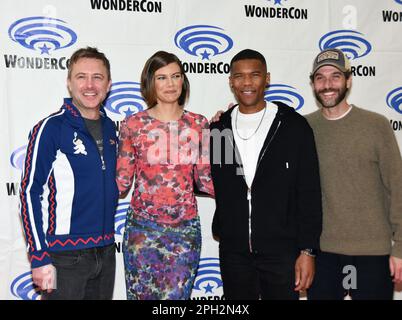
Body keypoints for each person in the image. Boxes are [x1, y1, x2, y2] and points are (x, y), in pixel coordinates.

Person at [209, 49, 322, 300]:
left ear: (267, 78)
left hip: (282, 252)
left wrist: (308, 251)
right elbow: (215, 183)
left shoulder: (293, 126)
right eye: (239, 76)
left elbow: (309, 192)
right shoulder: (218, 129)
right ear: (230, 81)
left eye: (255, 75)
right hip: (234, 253)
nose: (247, 82)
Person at [19, 47, 118, 300]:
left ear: (108, 84)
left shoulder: (112, 128)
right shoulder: (51, 128)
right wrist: (39, 255)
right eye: (81, 76)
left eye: (98, 77)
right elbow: (30, 192)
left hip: (106, 252)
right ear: (69, 83)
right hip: (65, 258)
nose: (90, 85)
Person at [116, 51, 214, 300]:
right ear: (151, 82)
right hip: (142, 231)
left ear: (183, 80)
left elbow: (206, 180)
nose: (170, 84)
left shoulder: (199, 124)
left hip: (184, 231)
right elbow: (121, 183)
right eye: (162, 78)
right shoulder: (133, 125)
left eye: (175, 76)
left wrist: (229, 132)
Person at [306, 48, 402, 300]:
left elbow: (397, 188)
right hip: (323, 254)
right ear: (313, 83)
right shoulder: (303, 128)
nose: (327, 85)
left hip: (372, 253)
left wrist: (400, 248)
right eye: (320, 77)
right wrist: (230, 119)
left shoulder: (376, 125)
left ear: (348, 80)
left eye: (335, 76)